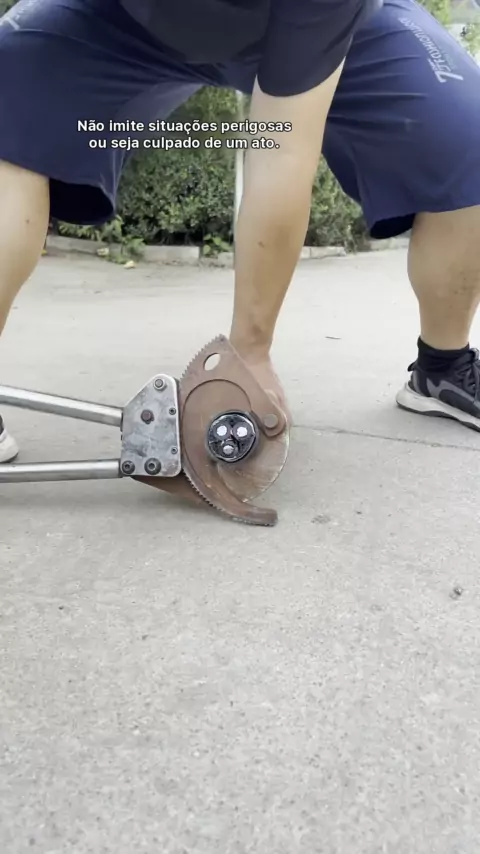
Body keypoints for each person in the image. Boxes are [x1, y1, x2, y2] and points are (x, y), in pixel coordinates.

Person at [1, 0, 480, 466]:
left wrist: (250, 349)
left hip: (338, 29)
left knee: (468, 138)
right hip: (122, 21)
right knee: (9, 82)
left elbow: (281, 148)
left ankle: (442, 367)